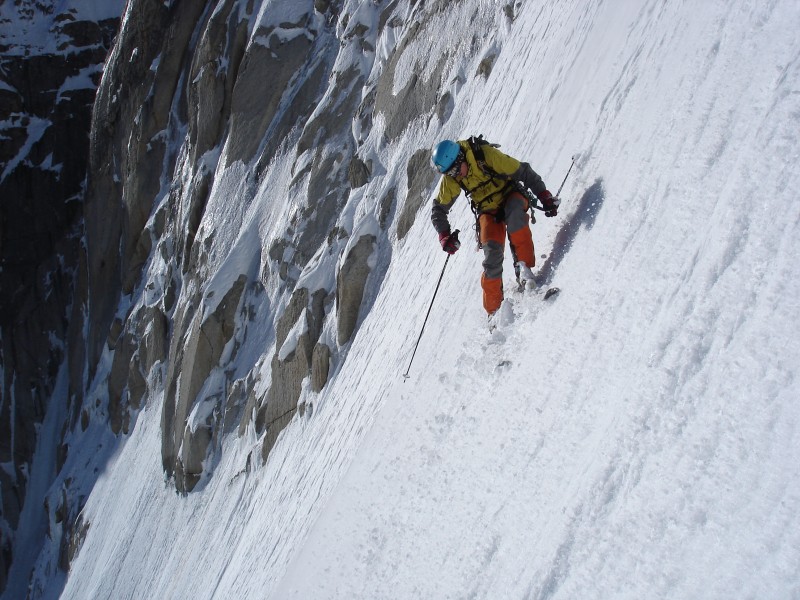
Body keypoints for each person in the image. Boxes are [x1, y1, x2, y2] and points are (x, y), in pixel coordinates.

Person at [430, 138, 559, 316]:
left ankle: (525, 273)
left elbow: (524, 172)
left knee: (515, 220)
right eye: (449, 173)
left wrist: (544, 195)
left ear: (461, 158)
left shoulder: (485, 156)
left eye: (454, 170)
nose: (455, 176)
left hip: (510, 195)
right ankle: (495, 313)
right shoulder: (453, 176)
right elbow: (438, 209)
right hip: (487, 209)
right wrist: (444, 235)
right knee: (492, 255)